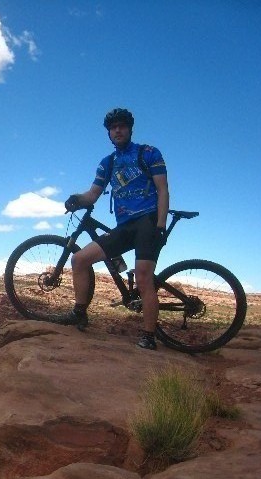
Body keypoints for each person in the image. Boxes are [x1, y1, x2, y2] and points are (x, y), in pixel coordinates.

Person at [61, 108, 169, 350]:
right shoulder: (108, 163)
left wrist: (160, 225)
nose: (118, 130)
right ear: (109, 133)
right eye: (113, 127)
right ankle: (80, 312)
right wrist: (76, 199)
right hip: (124, 226)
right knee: (79, 259)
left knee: (143, 278)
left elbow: (163, 190)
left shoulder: (149, 153)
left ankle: (149, 336)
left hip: (147, 222)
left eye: (122, 126)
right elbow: (92, 195)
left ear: (130, 129)